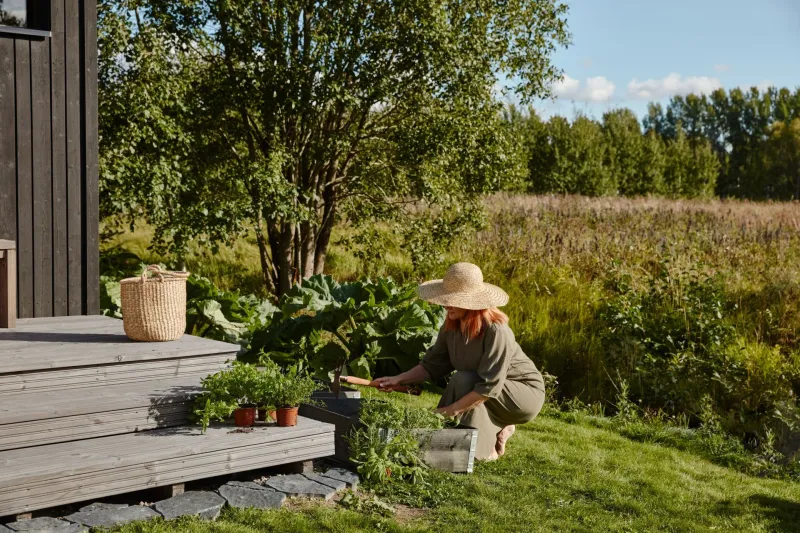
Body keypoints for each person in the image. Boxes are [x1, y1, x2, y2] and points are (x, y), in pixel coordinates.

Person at [373, 262, 546, 460]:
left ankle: (477, 450)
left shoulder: (496, 331)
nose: (447, 304)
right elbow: (431, 366)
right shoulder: (452, 327)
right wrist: (398, 379)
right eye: (446, 298)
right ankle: (491, 433)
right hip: (485, 386)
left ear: (471, 302)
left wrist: (448, 411)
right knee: (464, 380)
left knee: (463, 380)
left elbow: (489, 387)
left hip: (523, 394)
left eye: (453, 299)